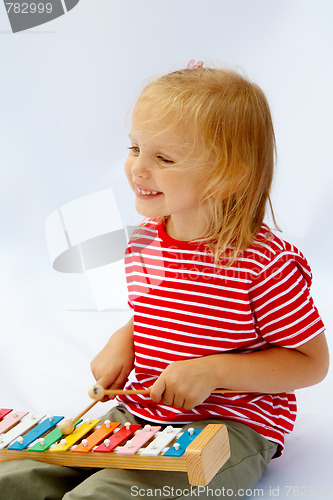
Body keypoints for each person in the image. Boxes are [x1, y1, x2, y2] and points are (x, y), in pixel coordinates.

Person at [0, 63, 329, 499]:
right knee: (14, 478)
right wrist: (127, 339)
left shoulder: (264, 264)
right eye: (135, 148)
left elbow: (310, 362)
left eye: (164, 158)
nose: (138, 168)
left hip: (230, 429)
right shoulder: (144, 242)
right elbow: (161, 314)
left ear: (229, 174)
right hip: (139, 415)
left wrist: (213, 371)